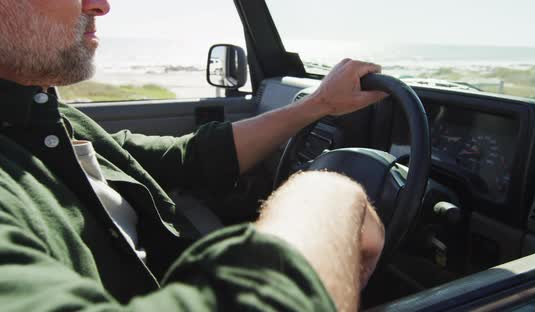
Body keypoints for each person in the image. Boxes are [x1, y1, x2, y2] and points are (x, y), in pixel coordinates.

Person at [0, 0, 386, 311]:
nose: (100, 5)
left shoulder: (45, 116)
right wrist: (322, 201)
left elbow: (185, 157)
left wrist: (318, 104)